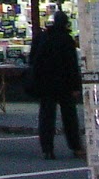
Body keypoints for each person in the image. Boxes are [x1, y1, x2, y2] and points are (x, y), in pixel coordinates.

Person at [27, 11, 84, 160]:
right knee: (69, 117)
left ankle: (47, 149)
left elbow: (32, 60)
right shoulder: (67, 39)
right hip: (64, 84)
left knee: (46, 117)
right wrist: (76, 86)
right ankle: (75, 146)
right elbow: (72, 65)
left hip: (45, 83)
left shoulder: (41, 37)